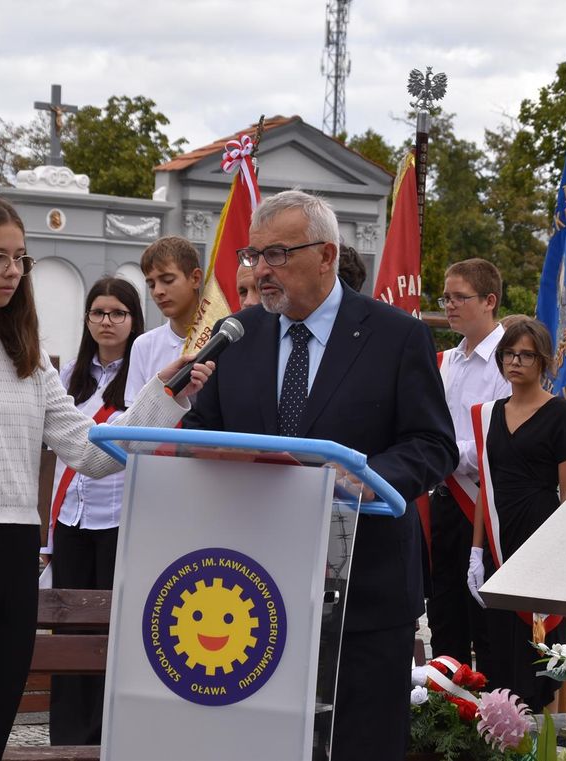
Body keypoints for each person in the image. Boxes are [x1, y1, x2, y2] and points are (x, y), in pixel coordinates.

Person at [0, 193, 213, 760]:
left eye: (21, 258)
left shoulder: (28, 359)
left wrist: (166, 394)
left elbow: (93, 454)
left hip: (14, 560)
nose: (14, 272)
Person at [181, 190, 456, 761]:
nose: (261, 270)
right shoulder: (238, 334)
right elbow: (204, 437)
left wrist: (367, 477)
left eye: (277, 254)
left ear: (327, 255)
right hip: (251, 589)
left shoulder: (396, 336)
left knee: (360, 744)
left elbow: (433, 445)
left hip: (365, 589)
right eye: (254, 255)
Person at [38, 276, 144, 745]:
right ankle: (65, 734)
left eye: (117, 313)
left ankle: (105, 735)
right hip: (71, 519)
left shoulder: (141, 375)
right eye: (98, 312)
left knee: (110, 628)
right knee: (68, 626)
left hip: (118, 518)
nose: (107, 321)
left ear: (133, 319)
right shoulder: (68, 377)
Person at [466, 317, 566, 712]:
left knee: (539, 649)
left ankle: (543, 738)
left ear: (544, 361)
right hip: (498, 539)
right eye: (509, 354)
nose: (515, 362)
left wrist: (564, 554)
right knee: (498, 646)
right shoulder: (487, 414)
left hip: (541, 532)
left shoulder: (562, 415)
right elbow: (486, 485)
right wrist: (475, 551)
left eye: (526, 355)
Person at [428, 258, 510, 669]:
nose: (450, 305)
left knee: (486, 622)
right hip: (444, 498)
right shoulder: (446, 362)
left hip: (485, 506)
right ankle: (443, 715)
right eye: (446, 297)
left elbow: (499, 440)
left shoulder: (508, 360)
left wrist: (439, 451)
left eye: (460, 297)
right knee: (444, 614)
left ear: (489, 301)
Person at [124, 235, 203, 406]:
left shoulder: (220, 338)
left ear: (195, 278)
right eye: (151, 285)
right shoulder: (144, 345)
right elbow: (134, 417)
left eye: (168, 280)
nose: (158, 291)